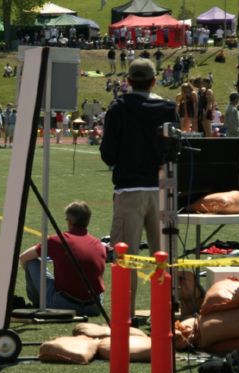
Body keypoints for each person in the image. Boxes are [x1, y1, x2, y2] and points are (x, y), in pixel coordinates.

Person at [100, 58, 179, 321]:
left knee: (126, 256)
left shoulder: (118, 108)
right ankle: (165, 310)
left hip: (130, 188)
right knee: (163, 253)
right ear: (154, 80)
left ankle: (125, 314)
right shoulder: (168, 108)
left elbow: (108, 154)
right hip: (164, 187)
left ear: (129, 81)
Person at [19, 201, 106, 316]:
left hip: (64, 304)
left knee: (31, 262)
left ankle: (38, 302)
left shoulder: (57, 240)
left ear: (69, 222)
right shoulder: (99, 244)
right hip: (94, 306)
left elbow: (24, 257)